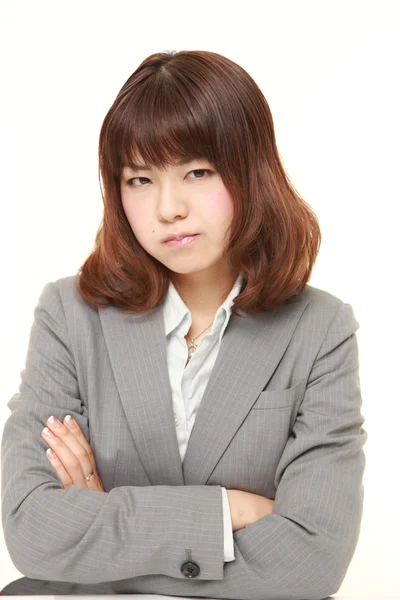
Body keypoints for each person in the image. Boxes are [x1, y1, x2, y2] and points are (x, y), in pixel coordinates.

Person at [1, 49, 367, 598]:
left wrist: (99, 529)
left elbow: (312, 561)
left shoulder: (320, 329)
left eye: (197, 172)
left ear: (250, 172)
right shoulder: (69, 315)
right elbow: (33, 533)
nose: (169, 208)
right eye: (140, 180)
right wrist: (225, 513)